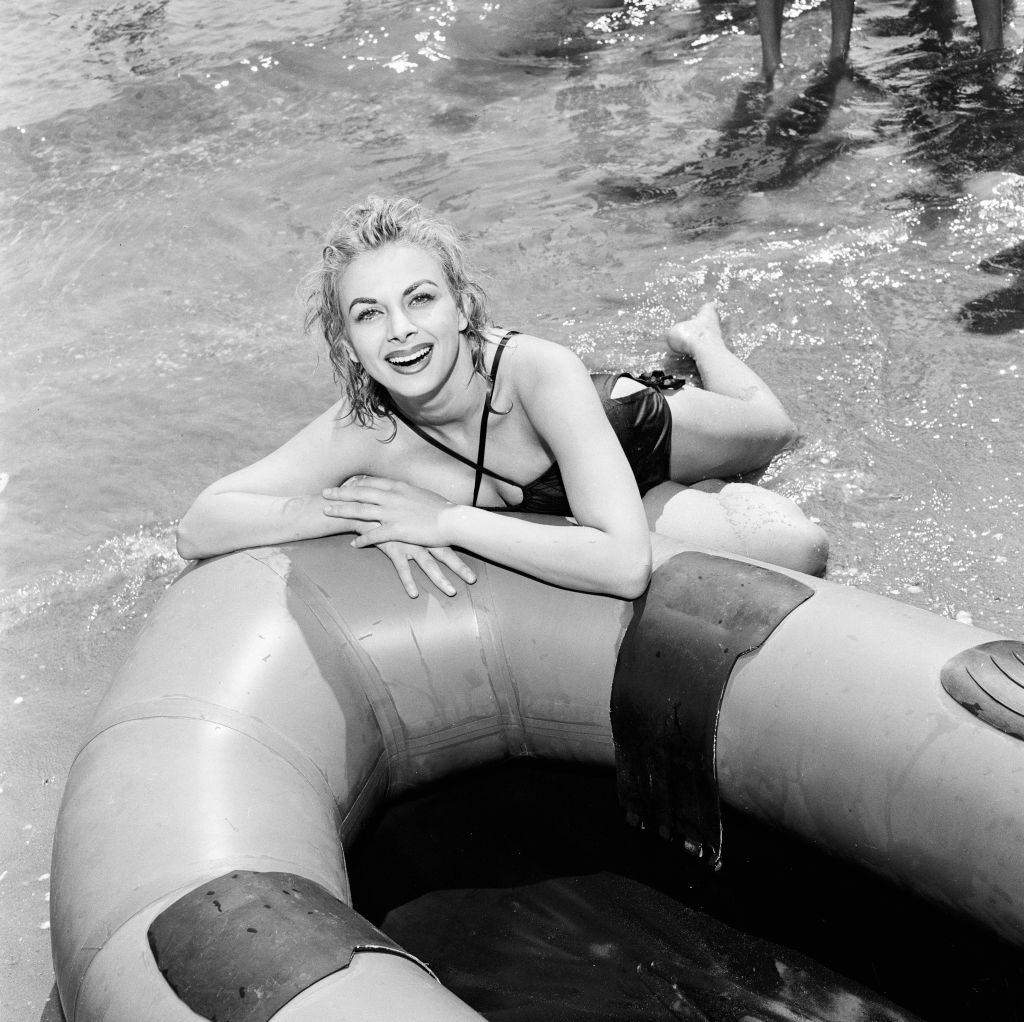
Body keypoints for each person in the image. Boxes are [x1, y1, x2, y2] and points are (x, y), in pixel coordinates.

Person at [176, 196, 827, 600]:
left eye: (420, 299)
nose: (400, 330)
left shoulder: (540, 371)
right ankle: (643, 507)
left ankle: (702, 341)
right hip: (585, 506)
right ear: (347, 343)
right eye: (369, 314)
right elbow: (201, 523)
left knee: (777, 450)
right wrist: (357, 512)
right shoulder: (362, 429)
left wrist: (445, 521)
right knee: (783, 548)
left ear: (462, 307)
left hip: (624, 428)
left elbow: (625, 567)